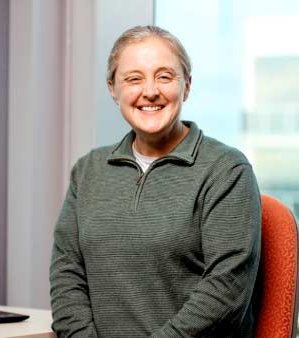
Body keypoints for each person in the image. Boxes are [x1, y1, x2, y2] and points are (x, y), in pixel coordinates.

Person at [50, 25, 261, 338]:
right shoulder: (88, 171)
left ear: (186, 86)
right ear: (112, 88)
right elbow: (67, 276)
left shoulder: (226, 170)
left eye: (164, 76)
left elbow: (225, 292)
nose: (150, 91)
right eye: (133, 78)